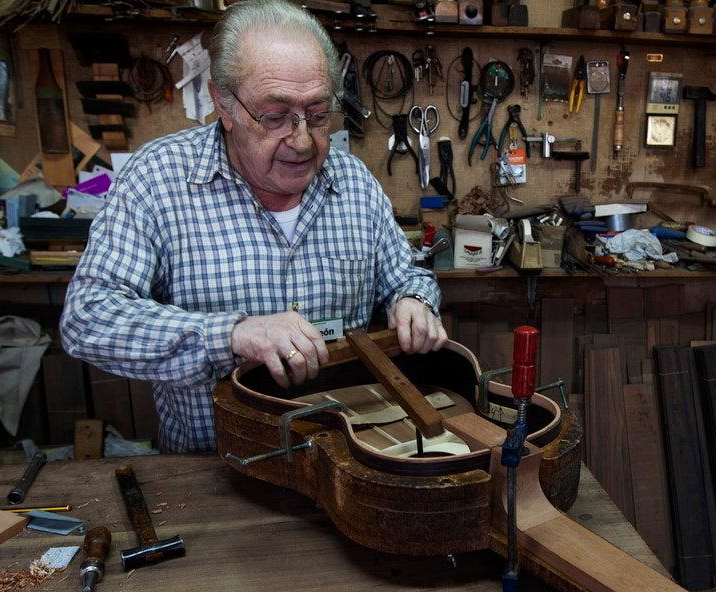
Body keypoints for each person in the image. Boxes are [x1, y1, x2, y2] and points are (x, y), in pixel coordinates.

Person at [60, 0, 447, 453]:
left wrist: (414, 301)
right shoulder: (158, 179)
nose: (302, 140)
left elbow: (407, 277)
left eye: (318, 115)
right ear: (224, 104)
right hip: (214, 471)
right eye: (275, 116)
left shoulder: (354, 182)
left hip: (346, 458)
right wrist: (232, 336)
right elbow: (87, 318)